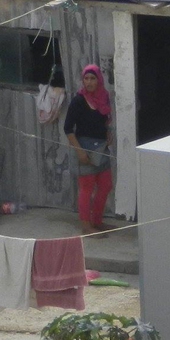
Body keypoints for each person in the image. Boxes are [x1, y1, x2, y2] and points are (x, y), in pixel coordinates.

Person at [64, 65, 114, 234]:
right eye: (86, 78)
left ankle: (97, 222)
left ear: (98, 79)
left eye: (93, 78)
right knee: (86, 188)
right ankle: (86, 226)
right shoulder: (78, 100)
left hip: (101, 148)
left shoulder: (103, 97)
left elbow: (105, 120)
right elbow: (68, 129)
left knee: (105, 185)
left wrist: (108, 134)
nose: (89, 82)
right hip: (84, 148)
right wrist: (79, 151)